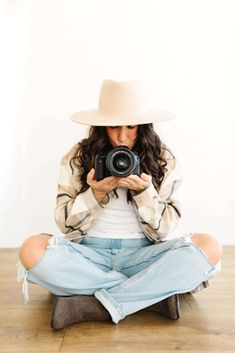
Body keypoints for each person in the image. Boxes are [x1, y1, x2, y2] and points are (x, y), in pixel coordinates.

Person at [17, 79, 222, 330]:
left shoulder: (163, 158)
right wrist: (95, 195)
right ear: (101, 126)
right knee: (31, 249)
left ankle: (97, 302)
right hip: (89, 256)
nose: (122, 137)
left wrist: (145, 192)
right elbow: (66, 226)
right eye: (113, 126)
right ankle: (150, 294)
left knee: (209, 247)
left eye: (131, 126)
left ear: (143, 126)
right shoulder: (78, 156)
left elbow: (164, 231)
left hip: (144, 256)